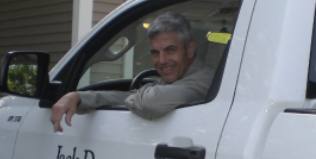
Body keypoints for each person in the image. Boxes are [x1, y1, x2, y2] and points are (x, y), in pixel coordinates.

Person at [51, 12, 215, 132]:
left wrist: (136, 97)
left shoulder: (206, 80)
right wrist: (77, 97)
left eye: (170, 50)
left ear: (190, 49)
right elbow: (129, 97)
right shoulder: (178, 77)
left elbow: (152, 102)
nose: (162, 61)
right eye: (155, 53)